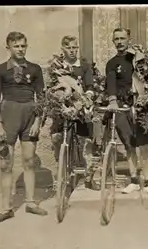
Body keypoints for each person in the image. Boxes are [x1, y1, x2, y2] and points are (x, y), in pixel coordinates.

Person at [0, 31, 47, 225]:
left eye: (23, 45)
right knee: (6, 163)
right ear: (8, 48)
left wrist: (39, 120)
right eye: (16, 46)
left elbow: (42, 96)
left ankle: (30, 203)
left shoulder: (35, 69)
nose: (21, 49)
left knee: (29, 161)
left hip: (30, 115)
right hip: (8, 115)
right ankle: (6, 208)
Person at [105, 28, 148, 197]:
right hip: (123, 106)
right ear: (113, 41)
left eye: (123, 38)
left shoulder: (139, 59)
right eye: (117, 39)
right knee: (129, 145)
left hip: (142, 105)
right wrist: (113, 100)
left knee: (144, 145)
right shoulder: (112, 63)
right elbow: (111, 84)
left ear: (129, 39)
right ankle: (134, 180)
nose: (120, 41)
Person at [49, 35, 100, 187]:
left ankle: (89, 178)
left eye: (74, 48)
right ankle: (63, 173)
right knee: (57, 138)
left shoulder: (84, 66)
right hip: (62, 107)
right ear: (62, 49)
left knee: (86, 142)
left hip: (80, 107)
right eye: (69, 48)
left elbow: (90, 86)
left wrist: (88, 98)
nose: (72, 51)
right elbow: (51, 85)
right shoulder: (56, 66)